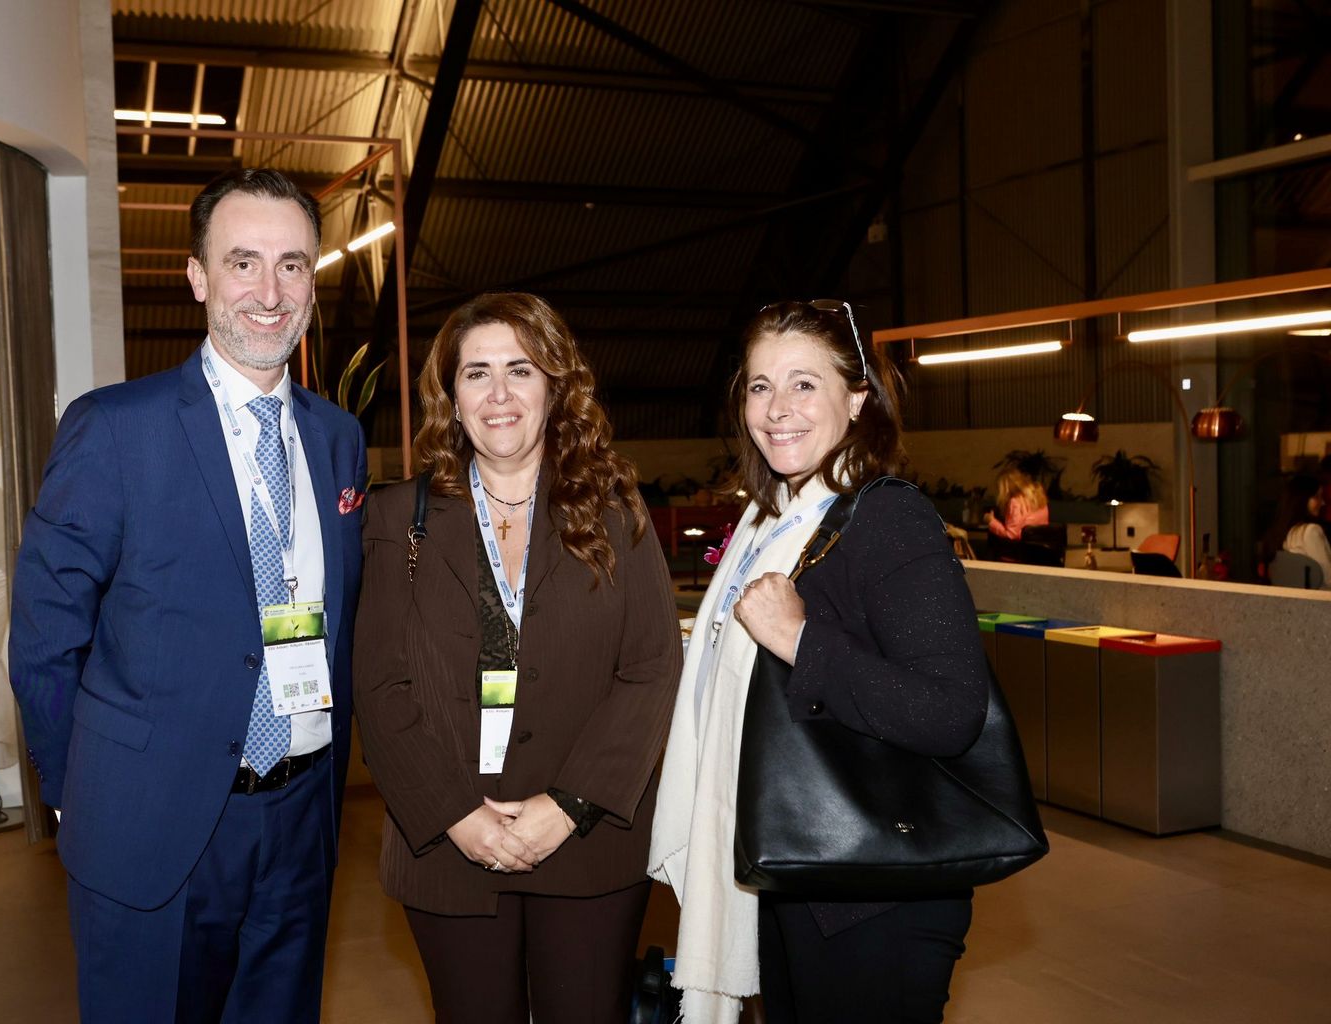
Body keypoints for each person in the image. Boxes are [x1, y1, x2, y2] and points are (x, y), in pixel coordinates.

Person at [9, 168, 367, 1022]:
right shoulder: (115, 427)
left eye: (292, 265)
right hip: (147, 823)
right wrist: (78, 792)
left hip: (301, 823)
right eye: (243, 262)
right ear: (199, 277)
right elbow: (44, 636)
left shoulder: (338, 438)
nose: (270, 293)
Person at [649, 300, 990, 1024]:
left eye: (804, 384)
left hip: (872, 893)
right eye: (760, 385)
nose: (778, 408)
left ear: (857, 398)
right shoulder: (770, 520)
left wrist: (801, 639)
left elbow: (950, 709)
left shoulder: (887, 517)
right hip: (792, 864)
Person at [353, 292, 682, 1023]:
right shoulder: (398, 518)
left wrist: (569, 805)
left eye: (520, 370)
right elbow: (379, 685)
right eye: (477, 373)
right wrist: (454, 815)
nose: (499, 394)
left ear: (554, 388)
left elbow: (652, 667)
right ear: (451, 395)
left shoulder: (614, 511)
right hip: (446, 842)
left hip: (587, 839)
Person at [1260, 473, 1331, 588]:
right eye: (1317, 497)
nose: (1322, 503)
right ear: (1301, 499)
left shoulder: (1283, 532)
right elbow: (1328, 578)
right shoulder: (1310, 531)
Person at [986, 466, 1049, 540]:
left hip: (1023, 545)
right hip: (1041, 543)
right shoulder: (1038, 496)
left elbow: (1011, 535)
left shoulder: (1015, 502)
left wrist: (991, 521)